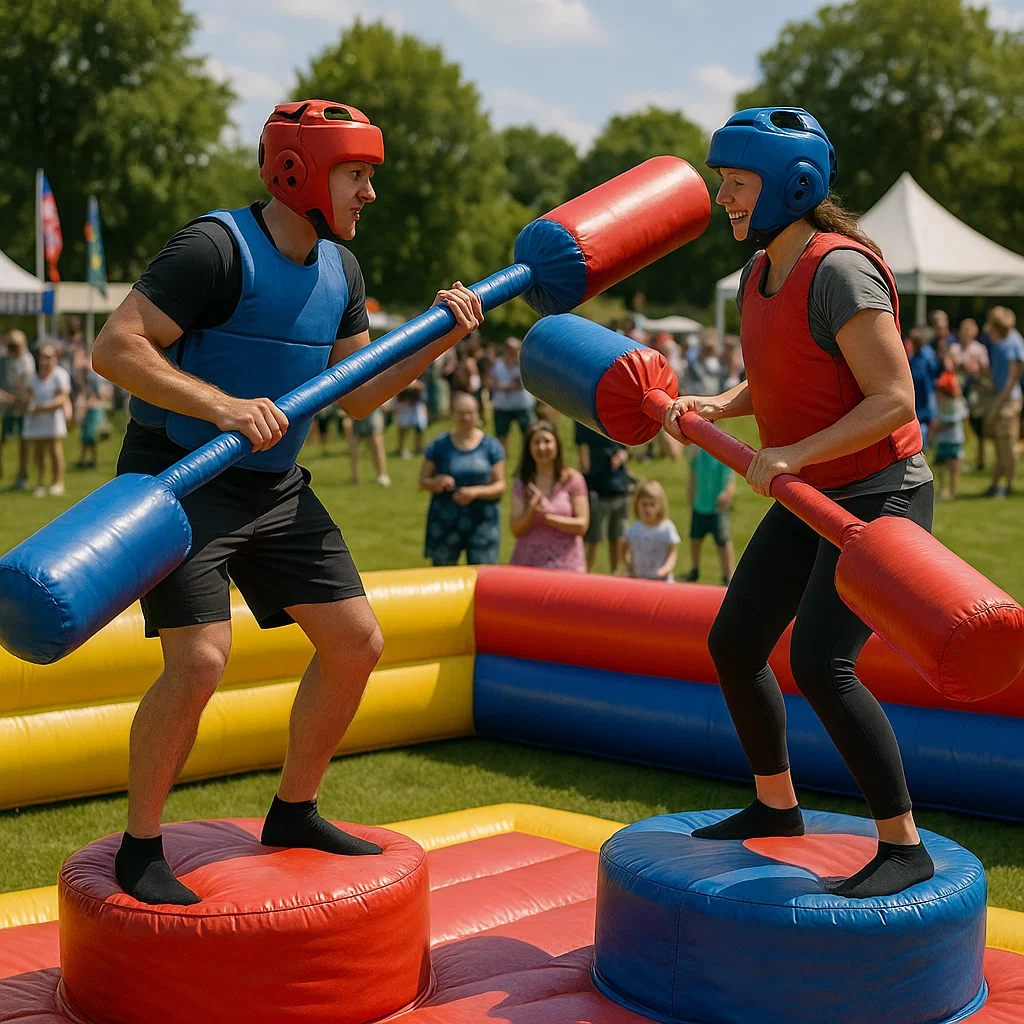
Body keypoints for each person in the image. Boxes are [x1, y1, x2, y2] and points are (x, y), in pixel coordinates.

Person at [91, 99, 484, 906]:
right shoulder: (212, 248)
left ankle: (295, 810)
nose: (370, 194)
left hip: (275, 486)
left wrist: (440, 335)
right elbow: (115, 347)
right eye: (356, 175)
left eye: (370, 176)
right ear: (298, 171)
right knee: (199, 660)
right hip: (181, 479)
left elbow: (362, 394)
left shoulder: (342, 272)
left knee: (356, 643)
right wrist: (222, 406)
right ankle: (140, 846)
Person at [663, 107, 934, 899]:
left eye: (736, 184)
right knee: (735, 642)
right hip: (811, 491)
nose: (723, 199)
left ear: (794, 186)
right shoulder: (758, 274)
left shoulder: (840, 269)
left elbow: (891, 398)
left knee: (822, 659)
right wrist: (723, 405)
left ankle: (902, 842)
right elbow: (790, 374)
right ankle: (776, 807)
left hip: (881, 495)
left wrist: (792, 456)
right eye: (722, 183)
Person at [419, 392, 505, 565]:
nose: (465, 417)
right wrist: (438, 482)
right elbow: (423, 481)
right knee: (443, 576)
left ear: (478, 414)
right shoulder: (439, 445)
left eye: (470, 412)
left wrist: (475, 492)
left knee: (483, 574)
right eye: (460, 412)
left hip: (482, 521)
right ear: (453, 415)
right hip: (445, 520)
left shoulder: (491, 446)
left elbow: (500, 485)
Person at [509, 420, 588, 572]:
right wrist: (531, 509)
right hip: (529, 564)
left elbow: (582, 525)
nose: (542, 447)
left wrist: (546, 517)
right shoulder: (523, 483)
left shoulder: (573, 480)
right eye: (536, 442)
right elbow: (515, 529)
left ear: (556, 444)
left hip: (567, 566)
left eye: (547, 441)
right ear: (529, 448)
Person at [576, 421, 631, 573]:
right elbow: (583, 457)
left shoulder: (613, 416)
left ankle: (614, 573)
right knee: (594, 539)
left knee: (616, 538)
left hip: (618, 487)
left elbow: (624, 447)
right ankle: (585, 572)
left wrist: (622, 456)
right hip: (598, 489)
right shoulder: (583, 420)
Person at [981, 306, 1024, 498]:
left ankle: (1007, 486)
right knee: (999, 443)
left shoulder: (1013, 341)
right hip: (1001, 397)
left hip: (1009, 399)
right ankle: (996, 484)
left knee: (1007, 444)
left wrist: (1002, 397)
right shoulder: (1000, 342)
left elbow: (1016, 372)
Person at [22, 343, 71, 497]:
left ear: (55, 358)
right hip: (36, 420)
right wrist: (30, 406)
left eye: (48, 357)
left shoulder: (60, 375)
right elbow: (29, 396)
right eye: (42, 357)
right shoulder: (33, 376)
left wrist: (41, 408)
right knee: (38, 451)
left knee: (54, 449)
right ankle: (40, 482)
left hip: (53, 419)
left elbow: (62, 398)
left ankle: (58, 482)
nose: (44, 360)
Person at [685, 446, 736, 584]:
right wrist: (691, 493)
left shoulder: (722, 454)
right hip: (700, 505)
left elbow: (730, 477)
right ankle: (694, 569)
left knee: (723, 542)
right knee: (695, 539)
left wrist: (727, 494)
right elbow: (693, 473)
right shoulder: (698, 453)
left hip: (717, 508)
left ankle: (728, 575)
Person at [487, 337, 536, 454]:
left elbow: (521, 383)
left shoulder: (524, 364)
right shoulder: (497, 364)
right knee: (501, 434)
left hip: (522, 405)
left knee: (529, 434)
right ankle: (502, 457)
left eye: (514, 349)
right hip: (502, 406)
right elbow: (490, 381)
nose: (511, 352)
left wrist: (502, 386)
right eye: (509, 349)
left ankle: (528, 455)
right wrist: (508, 386)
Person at [624, 480, 680, 582]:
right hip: (640, 579)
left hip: (662, 581)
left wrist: (664, 570)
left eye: (652, 505)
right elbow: (624, 549)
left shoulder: (666, 528)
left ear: (659, 506)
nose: (648, 509)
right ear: (637, 505)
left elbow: (672, 553)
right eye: (644, 504)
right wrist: (629, 568)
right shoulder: (634, 529)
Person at [955, 318, 991, 472]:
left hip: (975, 391)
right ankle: (959, 460)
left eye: (968, 331)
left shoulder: (979, 349)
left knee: (978, 426)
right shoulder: (955, 348)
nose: (965, 334)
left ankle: (980, 460)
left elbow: (985, 371)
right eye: (963, 330)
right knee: (960, 426)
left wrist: (974, 369)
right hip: (958, 391)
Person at [0, 330, 35, 488]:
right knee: (3, 439)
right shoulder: (3, 360)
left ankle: (23, 475)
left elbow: (26, 384)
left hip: (21, 405)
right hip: (5, 404)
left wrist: (18, 401)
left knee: (24, 441)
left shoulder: (27, 360)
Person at [932, 370, 968, 501]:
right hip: (943, 439)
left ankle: (953, 490)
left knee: (953, 466)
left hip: (954, 439)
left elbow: (953, 420)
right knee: (941, 465)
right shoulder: (940, 404)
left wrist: (938, 428)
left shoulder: (956, 404)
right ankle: (943, 489)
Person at [908, 328, 940, 448]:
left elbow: (932, 372)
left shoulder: (926, 355)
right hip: (917, 393)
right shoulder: (914, 355)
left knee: (927, 421)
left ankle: (925, 446)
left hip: (925, 393)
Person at [349, 407, 390, 486]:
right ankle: (355, 476)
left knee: (376, 442)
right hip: (359, 410)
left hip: (373, 411)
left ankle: (382, 475)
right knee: (355, 442)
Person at [394, 375, 428, 458]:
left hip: (417, 402)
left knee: (420, 426)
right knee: (403, 426)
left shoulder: (422, 369)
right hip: (404, 401)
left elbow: (422, 385)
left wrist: (412, 385)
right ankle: (401, 448)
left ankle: (419, 448)